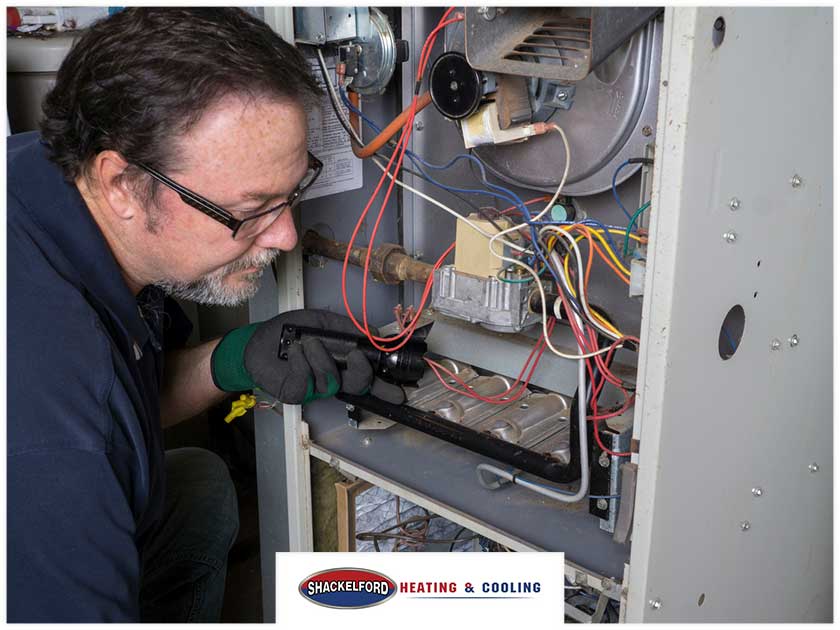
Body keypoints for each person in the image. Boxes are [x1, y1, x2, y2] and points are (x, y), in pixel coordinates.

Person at [7, 8, 399, 622]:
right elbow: (89, 421)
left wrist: (233, 358)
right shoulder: (54, 434)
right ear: (122, 184)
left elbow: (126, 405)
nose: (287, 237)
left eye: (292, 193)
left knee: (200, 489)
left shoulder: (40, 170)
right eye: (253, 208)